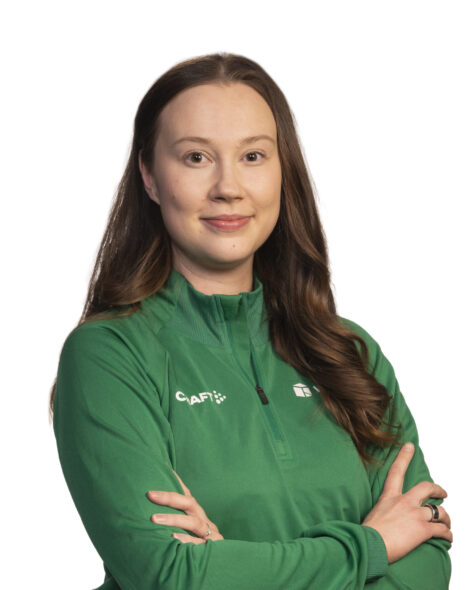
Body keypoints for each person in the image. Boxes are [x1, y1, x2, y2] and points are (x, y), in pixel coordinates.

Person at [50, 52, 452, 589]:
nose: (228, 187)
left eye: (253, 156)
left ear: (283, 171)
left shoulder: (349, 353)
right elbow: (172, 576)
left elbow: (427, 556)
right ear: (149, 175)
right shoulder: (109, 356)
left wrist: (230, 565)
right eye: (196, 157)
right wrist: (373, 544)